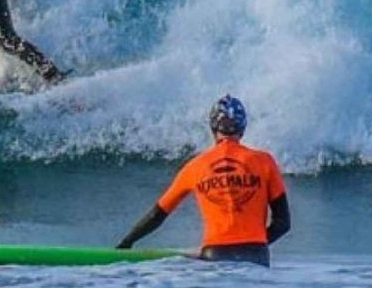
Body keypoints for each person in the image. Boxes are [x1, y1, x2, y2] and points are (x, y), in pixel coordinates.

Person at [116, 95, 291, 265]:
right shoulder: (265, 161)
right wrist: (254, 243)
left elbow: (157, 214)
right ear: (243, 127)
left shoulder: (195, 166)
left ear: (213, 128)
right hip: (255, 256)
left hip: (215, 254)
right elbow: (283, 223)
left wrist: (126, 243)